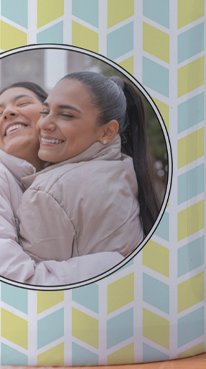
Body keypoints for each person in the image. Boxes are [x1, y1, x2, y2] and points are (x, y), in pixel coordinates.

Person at [0, 82, 122, 286]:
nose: (8, 112)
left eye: (23, 103)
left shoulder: (73, 175)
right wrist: (118, 265)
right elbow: (8, 283)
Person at [17, 72, 160, 262]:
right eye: (45, 112)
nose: (44, 124)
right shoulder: (124, 168)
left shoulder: (48, 193)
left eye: (66, 115)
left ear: (107, 131)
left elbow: (37, 287)